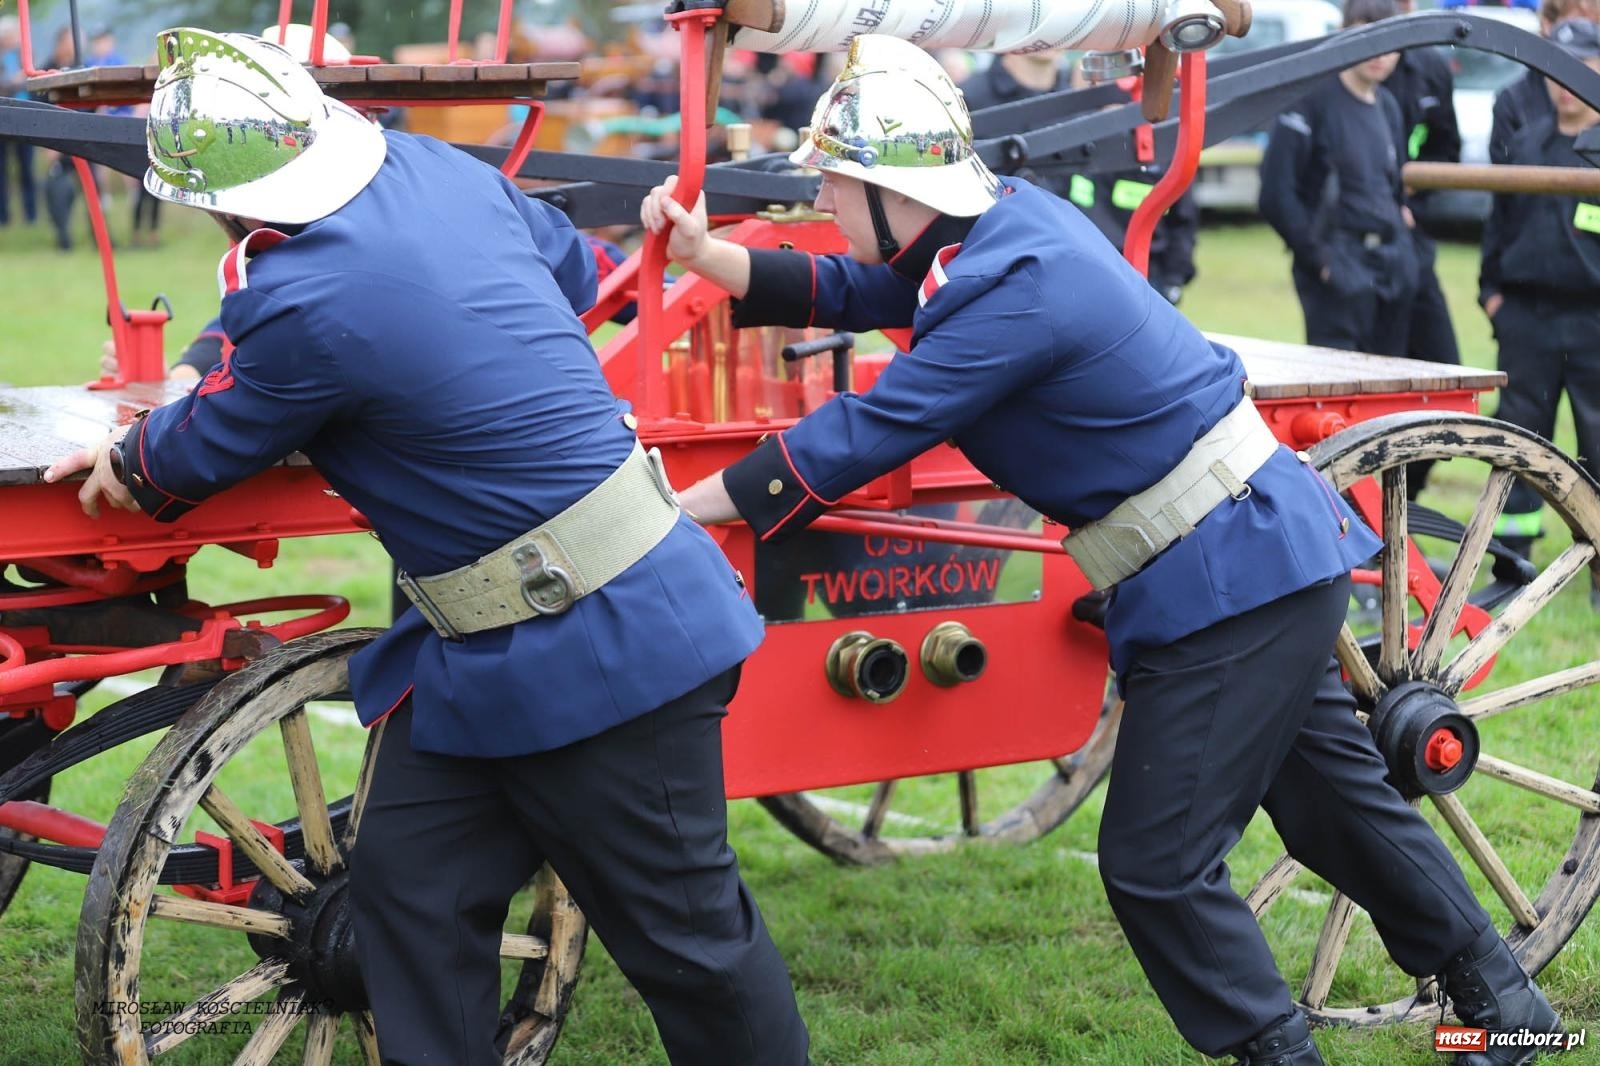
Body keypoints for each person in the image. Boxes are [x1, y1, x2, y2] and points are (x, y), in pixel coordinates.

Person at [644, 33, 1559, 1066]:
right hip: (1247, 558)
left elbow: (857, 433)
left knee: (1155, 866)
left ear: (889, 189)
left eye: (832, 181)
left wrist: (684, 503)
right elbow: (877, 292)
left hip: (1230, 573)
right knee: (1334, 810)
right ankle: (1511, 1012)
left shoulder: (1008, 285)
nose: (821, 196)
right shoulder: (993, 237)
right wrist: (715, 260)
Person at [45, 27, 808, 1066]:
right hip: (489, 651)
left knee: (692, 949)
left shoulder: (307, 300)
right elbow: (576, 276)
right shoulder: (431, 169)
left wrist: (126, 453)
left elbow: (176, 465)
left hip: (607, 643)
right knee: (409, 896)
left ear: (220, 200)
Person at [1479, 16, 1600, 611]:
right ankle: (1511, 563)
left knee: (1599, 441)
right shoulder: (1525, 142)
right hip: (1525, 317)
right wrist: (1491, 293)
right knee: (1521, 440)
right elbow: (1498, 223)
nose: (1565, 83)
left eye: (1582, 66)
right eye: (1560, 66)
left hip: (1594, 321)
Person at [1259, 0, 1419, 358]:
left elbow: (1391, 184)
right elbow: (1275, 193)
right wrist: (1322, 260)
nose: (1379, 53)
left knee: (1391, 386)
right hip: (1337, 267)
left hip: (1391, 266)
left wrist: (1402, 237)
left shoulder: (1388, 106)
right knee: (1341, 390)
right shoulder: (1309, 101)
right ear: (1344, 33)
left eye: (1389, 41)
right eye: (1366, 36)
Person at [1490, 0, 1600, 165]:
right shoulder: (1516, 106)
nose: (1567, 82)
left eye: (1592, 24)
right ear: (1547, 25)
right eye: (1574, 21)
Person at [0, 15, 39, 229]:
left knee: (27, 168)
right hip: (4, 117)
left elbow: (34, 78)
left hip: (27, 117)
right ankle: (3, 216)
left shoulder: (25, 55)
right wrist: (14, 82)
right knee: (2, 170)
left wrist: (17, 81)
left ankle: (31, 215)